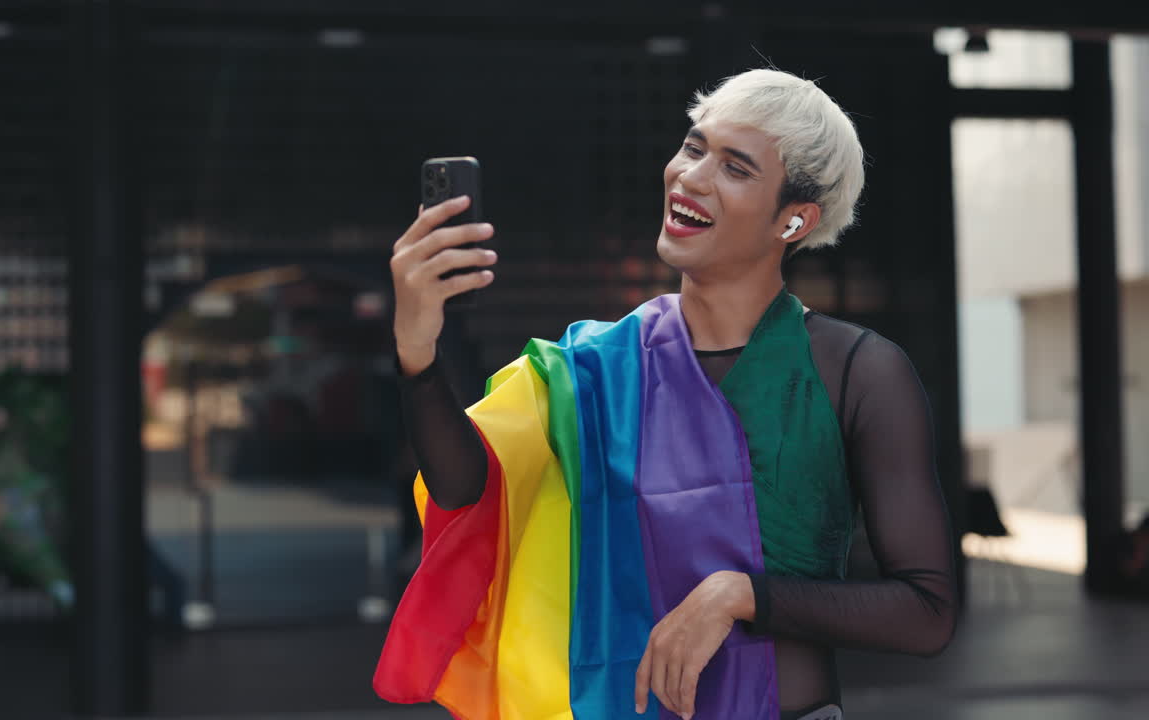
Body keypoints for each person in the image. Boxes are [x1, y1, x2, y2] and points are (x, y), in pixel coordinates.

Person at [376, 69, 958, 720]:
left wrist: (742, 596)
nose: (692, 177)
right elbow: (467, 490)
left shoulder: (856, 372)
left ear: (795, 219)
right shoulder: (592, 368)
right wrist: (417, 351)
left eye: (735, 168)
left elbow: (926, 613)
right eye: (693, 146)